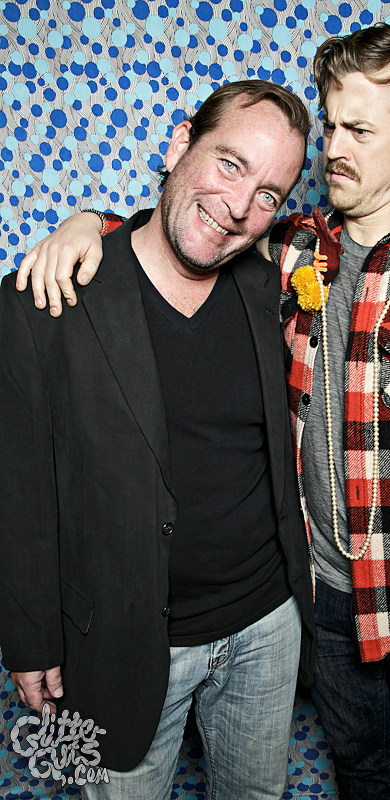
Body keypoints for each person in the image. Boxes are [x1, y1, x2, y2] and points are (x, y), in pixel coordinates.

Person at [15, 24, 390, 800]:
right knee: (360, 770)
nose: (334, 150)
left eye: (359, 130)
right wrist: (87, 223)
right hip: (318, 596)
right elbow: (193, 228)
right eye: (331, 126)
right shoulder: (294, 249)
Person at [0, 79, 316, 800]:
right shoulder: (41, 299)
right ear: (179, 143)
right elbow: (17, 491)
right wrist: (28, 640)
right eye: (229, 164)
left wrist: (91, 217)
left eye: (268, 194)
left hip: (267, 627)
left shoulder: (268, 286)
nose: (238, 206)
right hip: (112, 643)